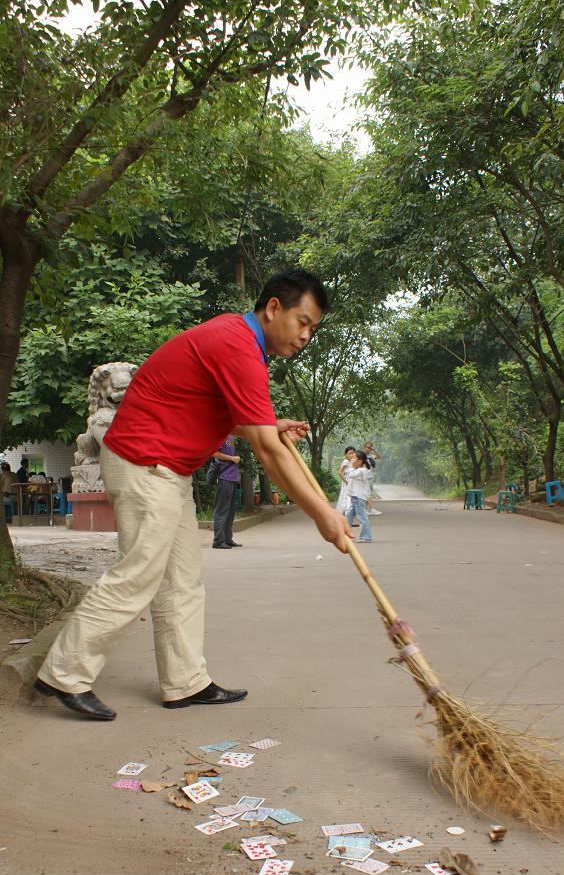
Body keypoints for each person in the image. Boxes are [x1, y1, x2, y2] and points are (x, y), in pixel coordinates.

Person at [35, 269, 352, 722]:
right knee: (138, 574)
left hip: (168, 469)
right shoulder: (237, 345)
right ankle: (64, 673)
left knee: (182, 581)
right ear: (274, 308)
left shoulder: (241, 344)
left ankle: (185, 683)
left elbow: (238, 423)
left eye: (312, 329)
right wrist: (322, 513)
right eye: (302, 322)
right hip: (145, 462)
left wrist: (272, 426)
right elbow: (266, 451)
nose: (305, 336)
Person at [209, 436, 241, 549]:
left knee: (231, 511)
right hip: (224, 477)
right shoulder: (220, 435)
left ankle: (227, 538)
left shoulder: (231, 437)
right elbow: (213, 453)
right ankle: (218, 540)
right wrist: (232, 458)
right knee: (222, 510)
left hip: (233, 478)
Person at [345, 450, 373, 542]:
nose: (352, 459)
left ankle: (366, 537)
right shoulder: (360, 470)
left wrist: (352, 466)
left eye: (354, 458)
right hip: (356, 496)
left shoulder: (361, 471)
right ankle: (345, 533)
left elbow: (349, 474)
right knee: (348, 514)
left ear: (360, 461)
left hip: (359, 497)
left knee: (362, 517)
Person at [363, 441, 383, 515]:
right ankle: (370, 509)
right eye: (368, 447)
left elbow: (379, 457)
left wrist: (374, 450)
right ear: (364, 447)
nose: (369, 449)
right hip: (364, 477)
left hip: (370, 476)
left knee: (368, 493)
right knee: (367, 494)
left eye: (370, 447)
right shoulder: (361, 455)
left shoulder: (371, 456)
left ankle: (365, 509)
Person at [335, 446, 355, 515]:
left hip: (352, 481)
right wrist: (346, 481)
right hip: (347, 481)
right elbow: (339, 472)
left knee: (350, 496)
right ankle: (347, 513)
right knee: (346, 496)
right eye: (349, 453)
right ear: (346, 454)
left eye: (353, 453)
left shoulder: (353, 461)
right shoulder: (345, 461)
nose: (351, 455)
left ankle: (348, 513)